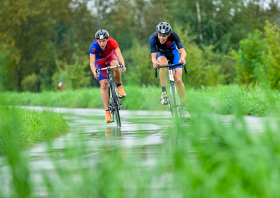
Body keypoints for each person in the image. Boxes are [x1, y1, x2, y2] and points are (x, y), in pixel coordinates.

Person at [149, 22, 190, 120]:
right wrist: (155, 62)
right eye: (160, 35)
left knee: (178, 80)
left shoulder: (174, 35)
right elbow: (153, 57)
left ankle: (183, 108)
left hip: (173, 53)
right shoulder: (153, 38)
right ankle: (164, 92)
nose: (162, 38)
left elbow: (183, 51)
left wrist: (182, 58)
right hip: (161, 54)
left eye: (164, 36)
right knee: (163, 64)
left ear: (169, 34)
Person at [89, 29, 127, 123]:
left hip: (110, 57)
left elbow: (119, 55)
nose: (102, 43)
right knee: (104, 84)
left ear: (107, 39)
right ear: (97, 40)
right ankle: (107, 112)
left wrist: (123, 65)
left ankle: (119, 86)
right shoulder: (93, 46)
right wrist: (94, 72)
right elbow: (92, 63)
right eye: (100, 41)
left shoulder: (112, 42)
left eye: (104, 41)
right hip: (100, 62)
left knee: (115, 65)